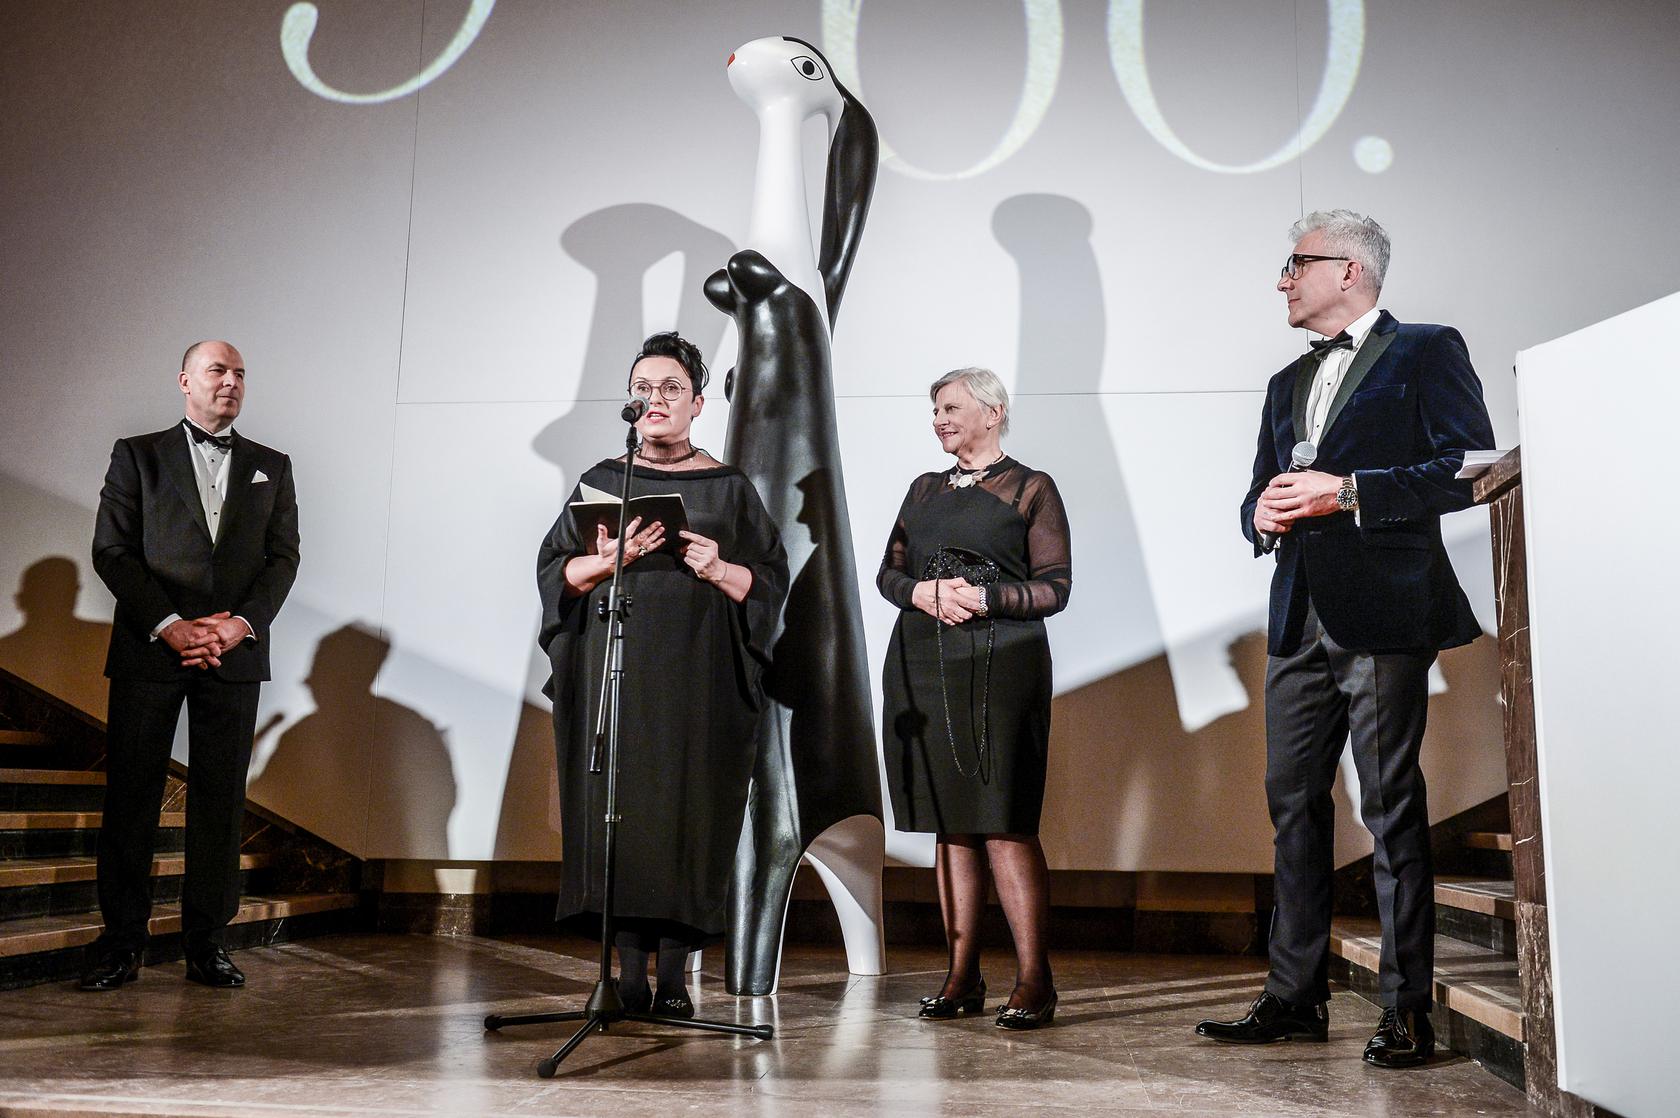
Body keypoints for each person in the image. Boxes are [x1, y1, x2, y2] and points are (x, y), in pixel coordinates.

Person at [1196, 211, 1495, 1067]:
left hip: (1385, 611)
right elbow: (1261, 489)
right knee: (1291, 804)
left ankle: (1405, 1008)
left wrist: (1350, 491)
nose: (1282, 280)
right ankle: (1294, 997)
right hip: (1297, 615)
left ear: (1351, 270)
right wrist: (1258, 515)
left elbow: (1468, 465)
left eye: (1296, 264)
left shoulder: (1426, 349)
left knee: (1389, 805)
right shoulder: (1284, 381)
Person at [536, 331, 788, 1016]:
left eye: (671, 388)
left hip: (698, 683)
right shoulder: (602, 480)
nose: (655, 399)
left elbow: (770, 584)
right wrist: (604, 562)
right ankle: (626, 977)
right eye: (643, 388)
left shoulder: (728, 488)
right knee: (619, 813)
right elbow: (555, 571)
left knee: (686, 814)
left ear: (698, 403)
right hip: (613, 679)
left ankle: (674, 976)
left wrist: (721, 568)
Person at [81, 340, 300, 991]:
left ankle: (207, 944)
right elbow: (112, 550)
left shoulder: (272, 466)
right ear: (185, 380)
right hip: (150, 650)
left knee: (220, 803)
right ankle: (121, 943)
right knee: (132, 798)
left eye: (240, 373)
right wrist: (171, 625)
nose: (231, 381)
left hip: (233, 655)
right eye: (217, 370)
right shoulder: (137, 455)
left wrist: (238, 625)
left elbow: (283, 558)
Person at [877, 367, 1071, 1029]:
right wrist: (922, 592)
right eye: (935, 410)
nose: (939, 419)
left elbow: (1055, 588)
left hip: (1002, 669)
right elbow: (889, 573)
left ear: (993, 413)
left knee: (1004, 821)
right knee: (950, 822)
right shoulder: (922, 489)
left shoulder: (1031, 488)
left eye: (951, 407)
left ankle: (1035, 979)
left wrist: (983, 597)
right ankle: (962, 976)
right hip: (923, 665)